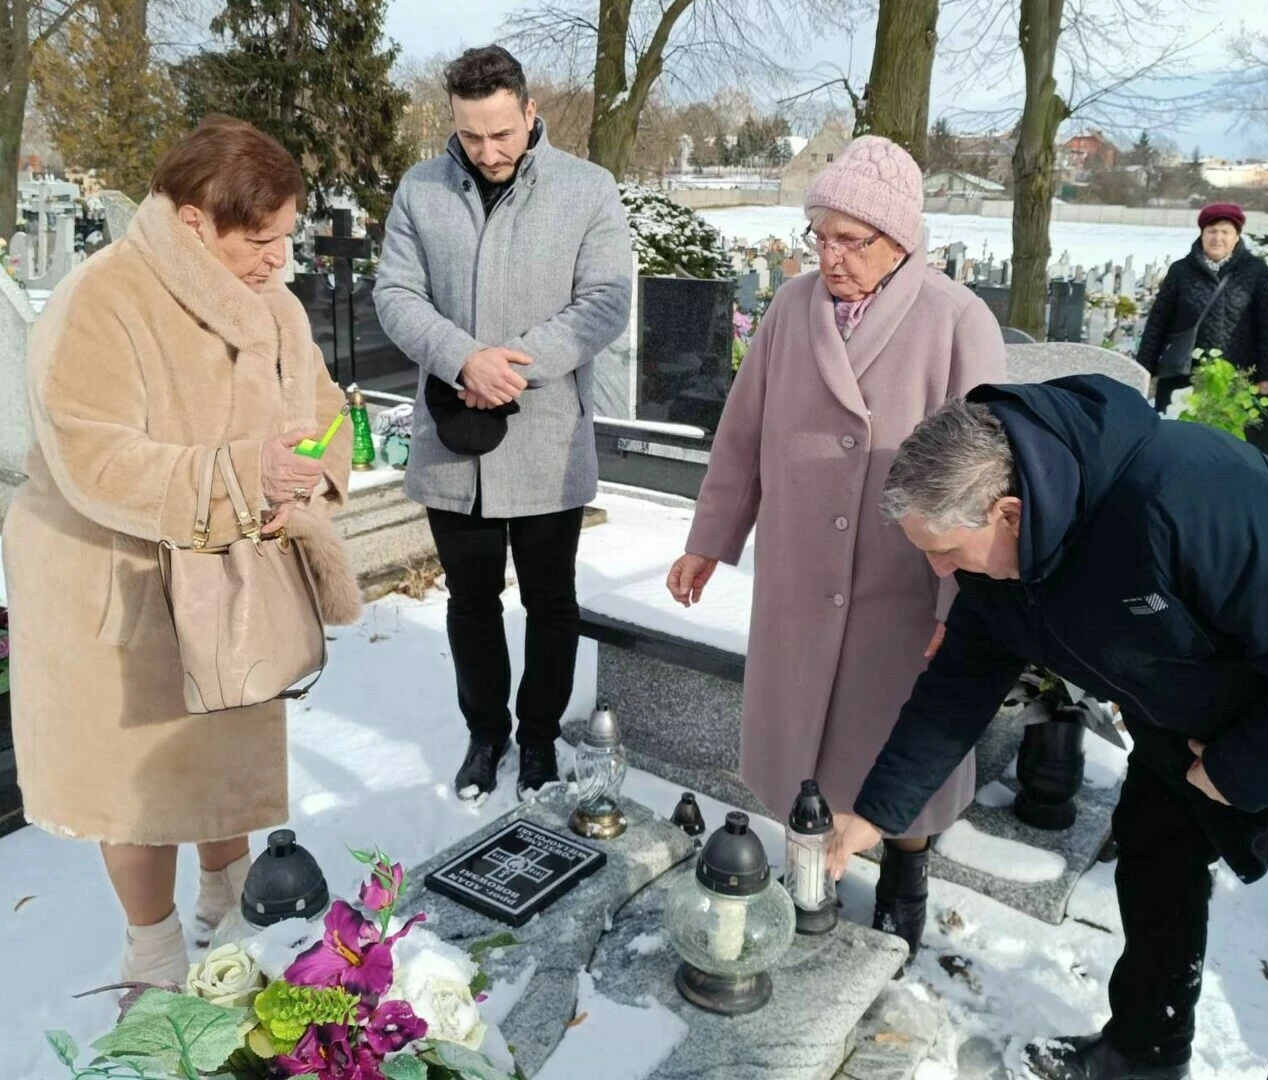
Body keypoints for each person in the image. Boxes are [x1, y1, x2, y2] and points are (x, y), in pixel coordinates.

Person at [826, 377, 1268, 1080]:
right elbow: (959, 684)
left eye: (945, 550)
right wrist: (877, 812)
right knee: (1155, 853)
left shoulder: (1180, 496)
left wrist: (1236, 770)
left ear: (1008, 513)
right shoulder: (1000, 557)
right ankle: (1143, 1052)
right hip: (1196, 701)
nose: (938, 569)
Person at [0, 117, 362, 984]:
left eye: (285, 238)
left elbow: (322, 411)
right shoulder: (103, 299)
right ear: (194, 218)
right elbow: (94, 458)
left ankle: (227, 898)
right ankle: (152, 947)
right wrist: (240, 476)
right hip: (115, 586)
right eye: (260, 240)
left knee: (222, 754)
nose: (279, 260)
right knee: (138, 786)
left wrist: (306, 475)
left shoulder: (272, 303)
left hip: (234, 579)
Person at [666, 136, 1006, 960]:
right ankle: (804, 863)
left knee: (891, 741)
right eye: (819, 236)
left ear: (899, 240)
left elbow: (989, 478)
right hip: (798, 571)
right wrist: (710, 539)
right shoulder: (790, 309)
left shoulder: (956, 320)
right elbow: (742, 434)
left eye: (850, 240)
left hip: (903, 580)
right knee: (799, 744)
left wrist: (960, 607)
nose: (830, 257)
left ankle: (905, 876)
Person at [375, 45, 633, 803]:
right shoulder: (421, 189)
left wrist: (512, 366)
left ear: (529, 111)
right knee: (470, 600)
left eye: (501, 134)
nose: (487, 152)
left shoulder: (587, 189)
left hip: (546, 438)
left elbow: (604, 301)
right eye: (470, 135)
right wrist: (463, 359)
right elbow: (395, 294)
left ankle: (540, 736)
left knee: (550, 601)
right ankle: (485, 734)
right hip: (453, 439)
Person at [1136, 202, 1268, 411]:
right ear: (1202, 235)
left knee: (1224, 429)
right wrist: (1144, 369)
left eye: (1225, 232)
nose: (1217, 237)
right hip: (1183, 373)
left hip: (1235, 374)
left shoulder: (1255, 271)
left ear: (1237, 237)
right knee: (1178, 426)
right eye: (1211, 231)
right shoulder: (1180, 271)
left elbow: (1267, 324)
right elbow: (1158, 321)